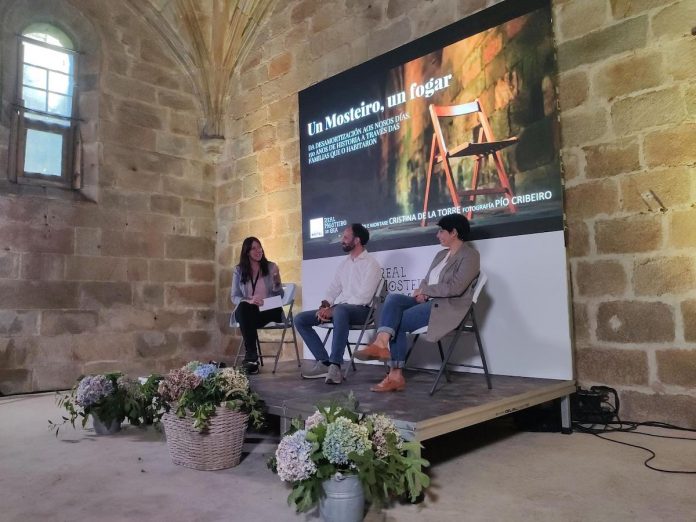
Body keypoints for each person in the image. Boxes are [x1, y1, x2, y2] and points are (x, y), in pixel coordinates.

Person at [354, 213, 479, 392]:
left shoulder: (470, 256)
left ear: (454, 232)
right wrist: (421, 291)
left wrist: (426, 291)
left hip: (446, 306)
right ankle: (382, 345)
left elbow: (456, 288)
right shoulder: (440, 255)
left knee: (396, 320)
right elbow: (426, 280)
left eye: (441, 231)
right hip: (428, 302)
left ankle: (394, 373)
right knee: (392, 299)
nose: (437, 235)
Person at [295, 223, 382, 385]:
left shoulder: (371, 264)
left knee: (340, 310)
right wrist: (325, 306)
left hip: (363, 311)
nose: (342, 240)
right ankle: (324, 362)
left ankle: (335, 366)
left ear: (357, 240)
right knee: (300, 319)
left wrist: (334, 309)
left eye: (346, 237)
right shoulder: (345, 264)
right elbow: (333, 289)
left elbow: (363, 298)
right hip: (342, 310)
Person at [231, 237, 283, 375]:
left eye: (259, 247)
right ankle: (252, 358)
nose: (258, 250)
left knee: (246, 317)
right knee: (244, 309)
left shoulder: (271, 267)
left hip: (270, 308)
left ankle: (251, 358)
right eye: (254, 248)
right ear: (247, 251)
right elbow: (234, 296)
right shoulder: (239, 270)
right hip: (250, 310)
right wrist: (249, 300)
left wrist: (277, 282)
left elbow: (280, 296)